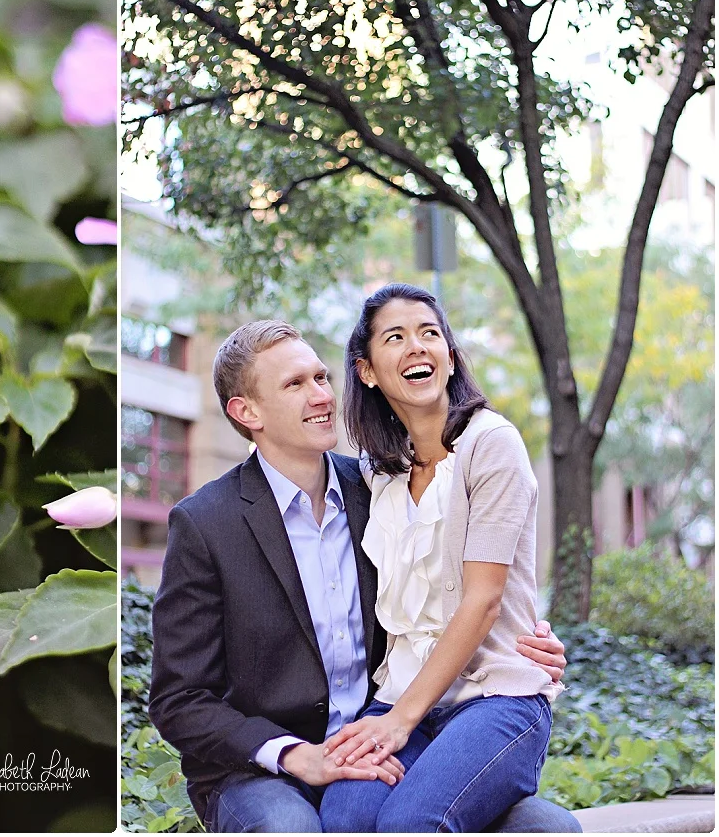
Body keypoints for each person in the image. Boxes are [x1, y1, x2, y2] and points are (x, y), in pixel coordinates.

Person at [148, 318, 580, 833]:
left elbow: (449, 596)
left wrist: (525, 637)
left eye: (321, 378)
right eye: (295, 384)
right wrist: (294, 755)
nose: (321, 395)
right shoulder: (206, 523)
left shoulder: (381, 487)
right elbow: (178, 700)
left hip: (392, 736)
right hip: (269, 772)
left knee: (544, 828)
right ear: (247, 412)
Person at [317, 283, 562, 832]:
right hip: (400, 697)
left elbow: (483, 601)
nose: (417, 347)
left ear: (450, 358)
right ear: (367, 371)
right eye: (396, 337)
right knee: (345, 822)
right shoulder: (377, 472)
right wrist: (395, 716)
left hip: (495, 698)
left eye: (431, 334)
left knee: (412, 823)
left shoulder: (491, 444)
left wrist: (399, 723)